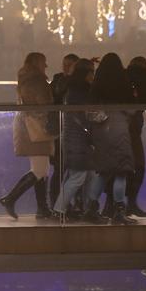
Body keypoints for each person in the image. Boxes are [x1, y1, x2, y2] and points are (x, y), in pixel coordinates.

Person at [83, 53, 138, 226]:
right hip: (119, 128)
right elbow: (132, 108)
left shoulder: (97, 85)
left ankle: (91, 209)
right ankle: (119, 212)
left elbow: (89, 110)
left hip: (100, 131)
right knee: (121, 171)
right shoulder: (123, 84)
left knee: (104, 171)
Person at [0, 52, 54, 220]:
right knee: (40, 170)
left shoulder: (25, 80)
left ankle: (42, 208)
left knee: (41, 170)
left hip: (28, 128)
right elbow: (44, 104)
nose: (46, 66)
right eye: (44, 62)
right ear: (37, 63)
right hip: (36, 128)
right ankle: (10, 199)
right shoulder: (37, 82)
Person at [51, 58, 95, 220]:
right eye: (91, 72)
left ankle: (86, 209)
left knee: (86, 175)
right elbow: (83, 116)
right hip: (78, 139)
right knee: (79, 176)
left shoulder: (72, 89)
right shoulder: (80, 92)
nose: (93, 76)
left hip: (74, 137)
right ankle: (60, 209)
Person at [48, 53, 79, 206]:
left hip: (74, 131)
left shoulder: (79, 82)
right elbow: (56, 94)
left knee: (75, 170)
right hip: (60, 129)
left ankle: (70, 204)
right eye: (64, 64)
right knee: (60, 169)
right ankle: (57, 204)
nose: (66, 67)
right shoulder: (59, 79)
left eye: (70, 64)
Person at [125, 56, 146, 218]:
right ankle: (131, 203)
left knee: (124, 168)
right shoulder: (141, 86)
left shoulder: (123, 83)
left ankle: (120, 204)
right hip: (133, 131)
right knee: (139, 166)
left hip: (124, 130)